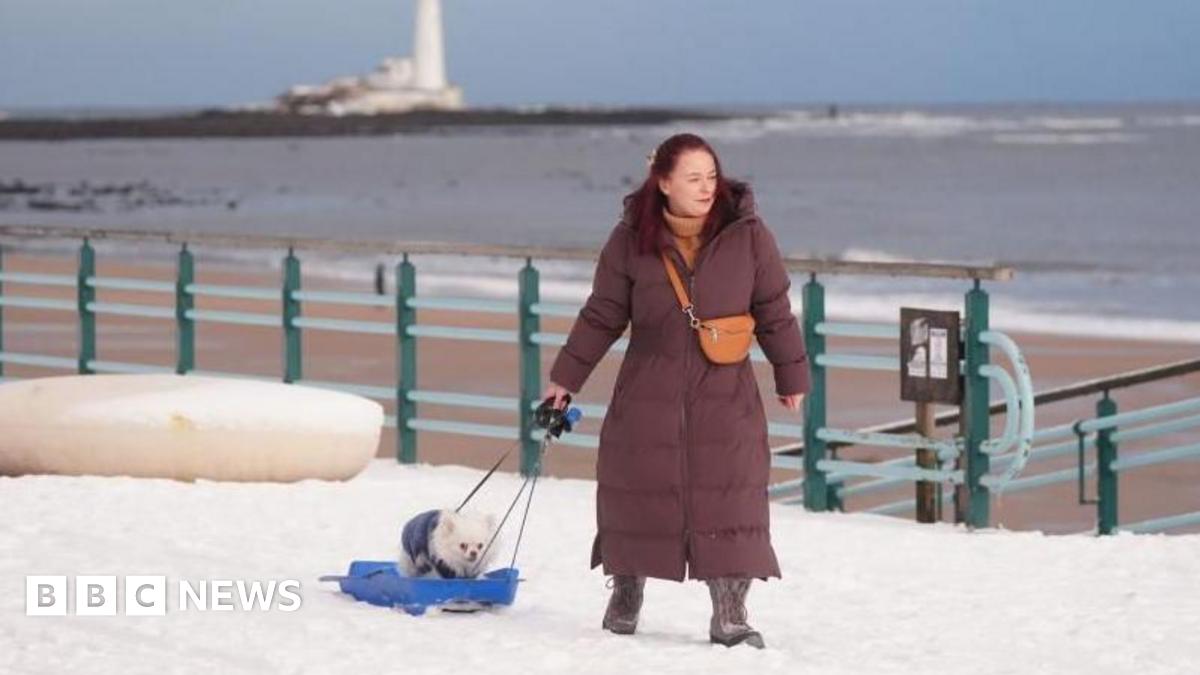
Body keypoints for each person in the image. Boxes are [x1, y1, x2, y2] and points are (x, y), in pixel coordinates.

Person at [543, 133, 810, 648]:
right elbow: (602, 314)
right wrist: (564, 379)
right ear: (663, 183)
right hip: (647, 388)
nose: (707, 187)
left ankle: (730, 613)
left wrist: (790, 374)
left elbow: (773, 308)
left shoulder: (749, 235)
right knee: (636, 490)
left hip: (726, 391)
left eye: (711, 176)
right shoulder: (629, 239)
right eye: (693, 178)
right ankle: (626, 592)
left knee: (731, 495)